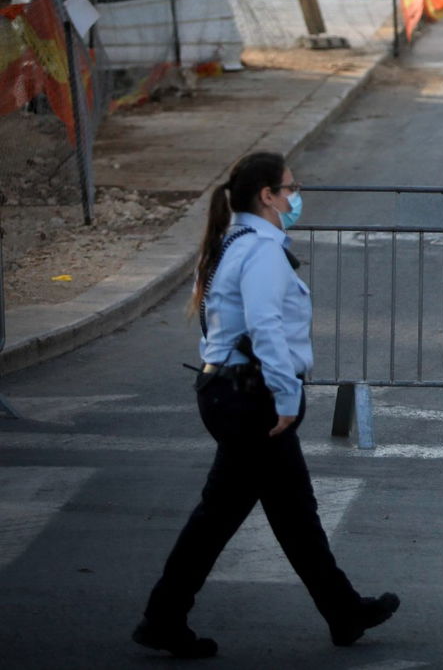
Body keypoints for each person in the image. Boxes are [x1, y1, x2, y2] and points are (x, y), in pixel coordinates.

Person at [133, 150, 398, 658]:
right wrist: (286, 394)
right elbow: (263, 326)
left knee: (287, 511)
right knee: (230, 517)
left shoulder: (233, 240)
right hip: (250, 397)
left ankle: (343, 611)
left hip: (230, 391)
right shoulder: (259, 251)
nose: (297, 196)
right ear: (267, 196)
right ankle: (163, 617)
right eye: (291, 188)